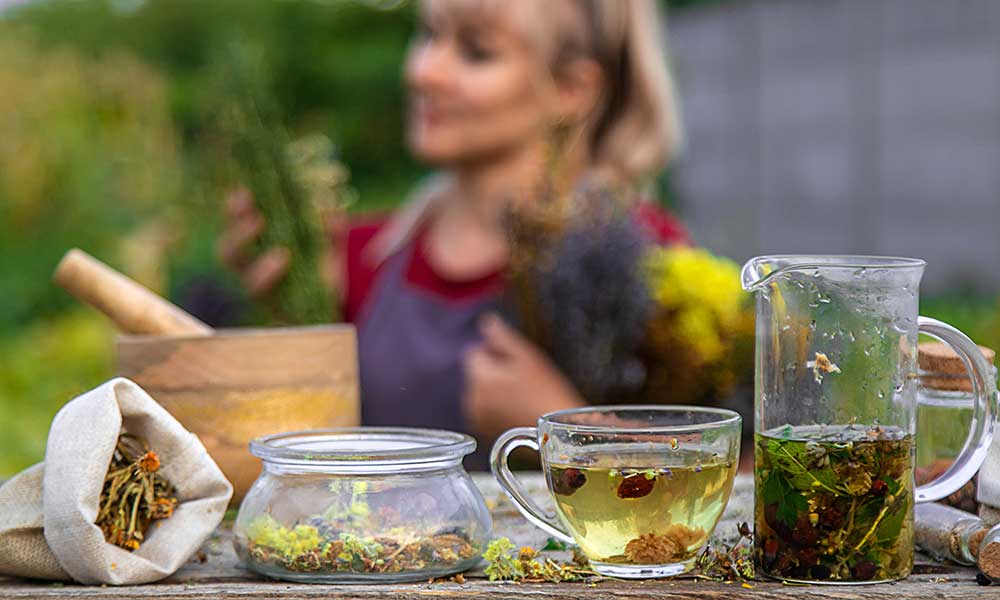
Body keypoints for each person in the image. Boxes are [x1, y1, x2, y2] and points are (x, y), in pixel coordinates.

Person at [219, 0, 689, 467]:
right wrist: (296, 330)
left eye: (477, 52)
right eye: (427, 34)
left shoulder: (652, 260)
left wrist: (560, 432)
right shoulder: (358, 257)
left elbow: (738, 472)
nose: (423, 71)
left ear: (571, 89)